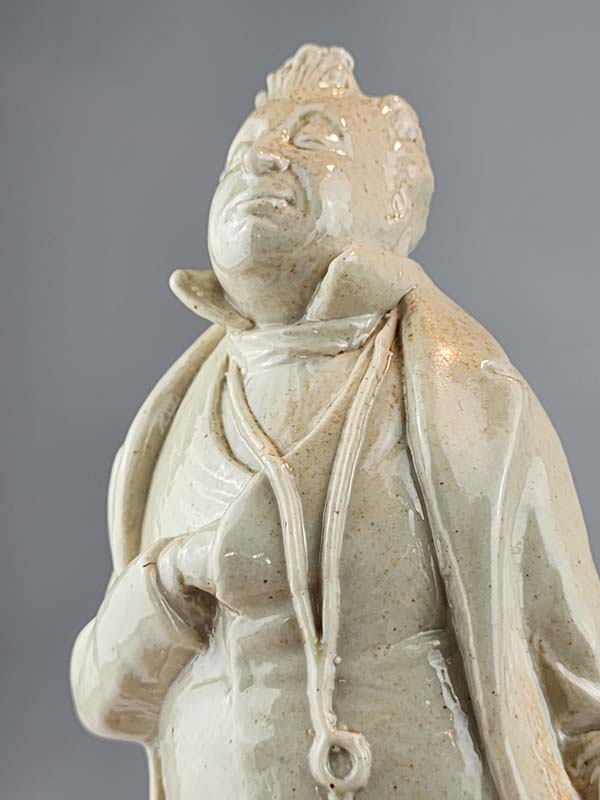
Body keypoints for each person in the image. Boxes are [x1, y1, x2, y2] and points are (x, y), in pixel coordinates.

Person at [71, 44, 600, 800]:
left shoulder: (471, 401)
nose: (261, 160)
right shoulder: (168, 427)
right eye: (241, 154)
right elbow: (105, 700)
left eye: (312, 139)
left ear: (395, 200)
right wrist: (173, 579)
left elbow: (581, 692)